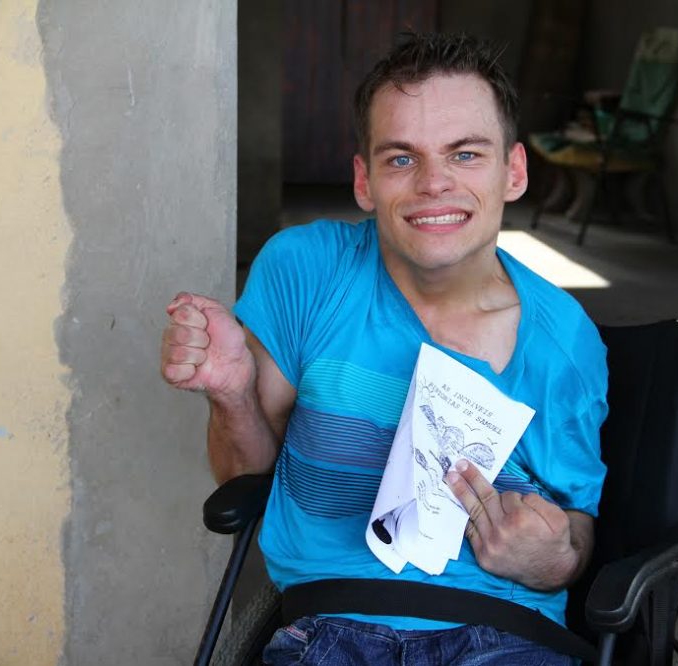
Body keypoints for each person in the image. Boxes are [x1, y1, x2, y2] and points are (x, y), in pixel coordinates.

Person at [161, 32, 608, 665]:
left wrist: (553, 558)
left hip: (501, 633)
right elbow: (244, 479)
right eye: (401, 158)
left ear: (513, 172)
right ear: (364, 180)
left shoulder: (563, 341)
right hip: (327, 631)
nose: (434, 183)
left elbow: (577, 530)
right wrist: (232, 395)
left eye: (465, 154)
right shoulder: (307, 270)